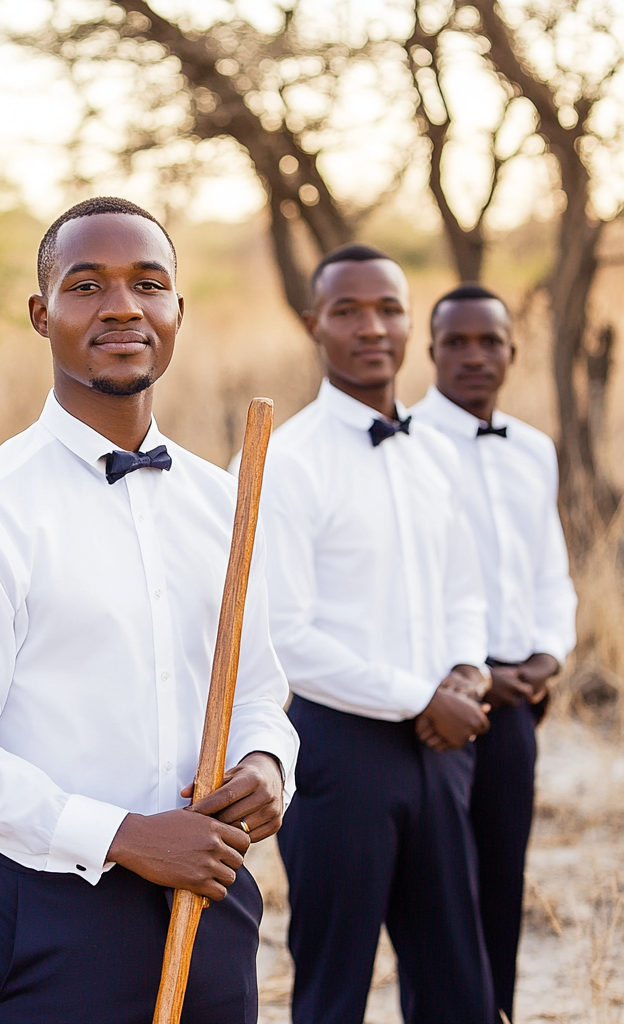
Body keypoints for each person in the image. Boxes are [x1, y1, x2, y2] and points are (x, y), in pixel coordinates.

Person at [0, 197, 299, 1024]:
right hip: (52, 920)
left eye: (149, 283)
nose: (122, 305)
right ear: (42, 315)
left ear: (178, 311)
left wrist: (266, 767)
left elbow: (260, 688)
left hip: (212, 904)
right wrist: (123, 835)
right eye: (87, 286)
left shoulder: (230, 502)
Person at [258, 243, 496, 1024]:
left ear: (408, 322)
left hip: (444, 748)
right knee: (335, 988)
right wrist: (419, 694)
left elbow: (466, 587)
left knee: (457, 982)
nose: (372, 327)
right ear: (313, 325)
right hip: (340, 755)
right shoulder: (283, 461)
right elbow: (286, 633)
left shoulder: (437, 450)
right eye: (348, 311)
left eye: (389, 308)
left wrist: (465, 673)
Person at [412, 283, 577, 1023]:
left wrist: (549, 657)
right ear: (431, 350)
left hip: (516, 710)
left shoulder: (534, 448)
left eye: (491, 342)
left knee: (503, 879)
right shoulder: (405, 442)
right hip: (435, 704)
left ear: (513, 350)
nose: (475, 356)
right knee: (439, 897)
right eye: (457, 342)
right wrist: (478, 668)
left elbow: (549, 569)